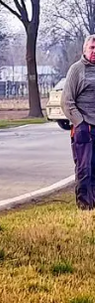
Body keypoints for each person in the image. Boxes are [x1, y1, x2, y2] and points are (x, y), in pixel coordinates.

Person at [62, 34, 95, 210]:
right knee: (85, 169)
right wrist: (79, 123)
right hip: (85, 127)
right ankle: (84, 206)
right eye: (92, 48)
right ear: (85, 49)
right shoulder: (77, 70)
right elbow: (67, 101)